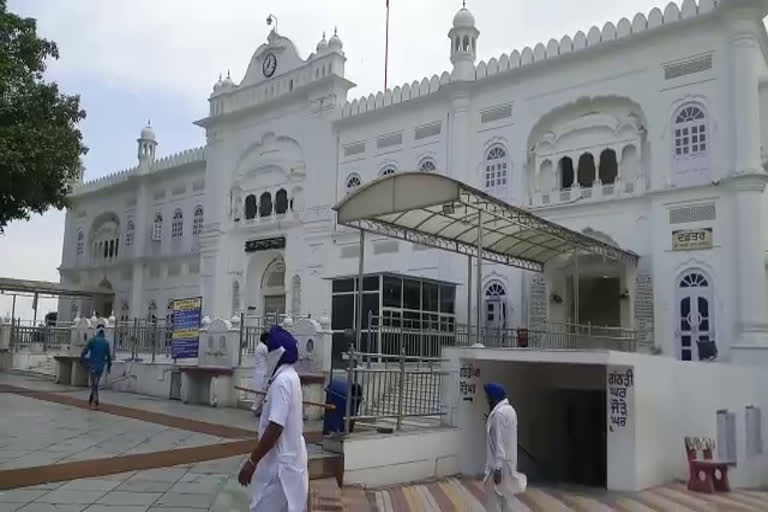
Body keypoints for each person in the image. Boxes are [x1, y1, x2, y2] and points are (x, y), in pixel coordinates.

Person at [238, 325, 308, 512]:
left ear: (277, 353)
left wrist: (252, 462)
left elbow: (276, 426)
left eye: (269, 350)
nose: (267, 354)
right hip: (287, 463)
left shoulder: (283, 381)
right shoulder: (290, 376)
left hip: (279, 469)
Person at [483, 382, 527, 512]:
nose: (487, 400)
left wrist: (497, 468)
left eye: (488, 397)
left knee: (494, 503)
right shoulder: (510, 410)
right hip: (509, 465)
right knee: (507, 501)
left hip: (499, 467)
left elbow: (500, 443)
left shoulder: (499, 414)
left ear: (494, 398)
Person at [80, 323, 112, 409]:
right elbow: (109, 357)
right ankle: (92, 399)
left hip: (92, 366)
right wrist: (109, 367)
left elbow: (84, 351)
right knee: (95, 384)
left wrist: (82, 361)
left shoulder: (92, 340)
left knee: (94, 384)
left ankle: (95, 402)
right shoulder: (106, 343)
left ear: (96, 331)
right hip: (101, 367)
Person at [250, 331, 270, 416]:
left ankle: (258, 409)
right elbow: (270, 356)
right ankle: (255, 407)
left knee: (261, 392)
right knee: (263, 391)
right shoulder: (263, 347)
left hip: (259, 371)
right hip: (263, 372)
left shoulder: (259, 346)